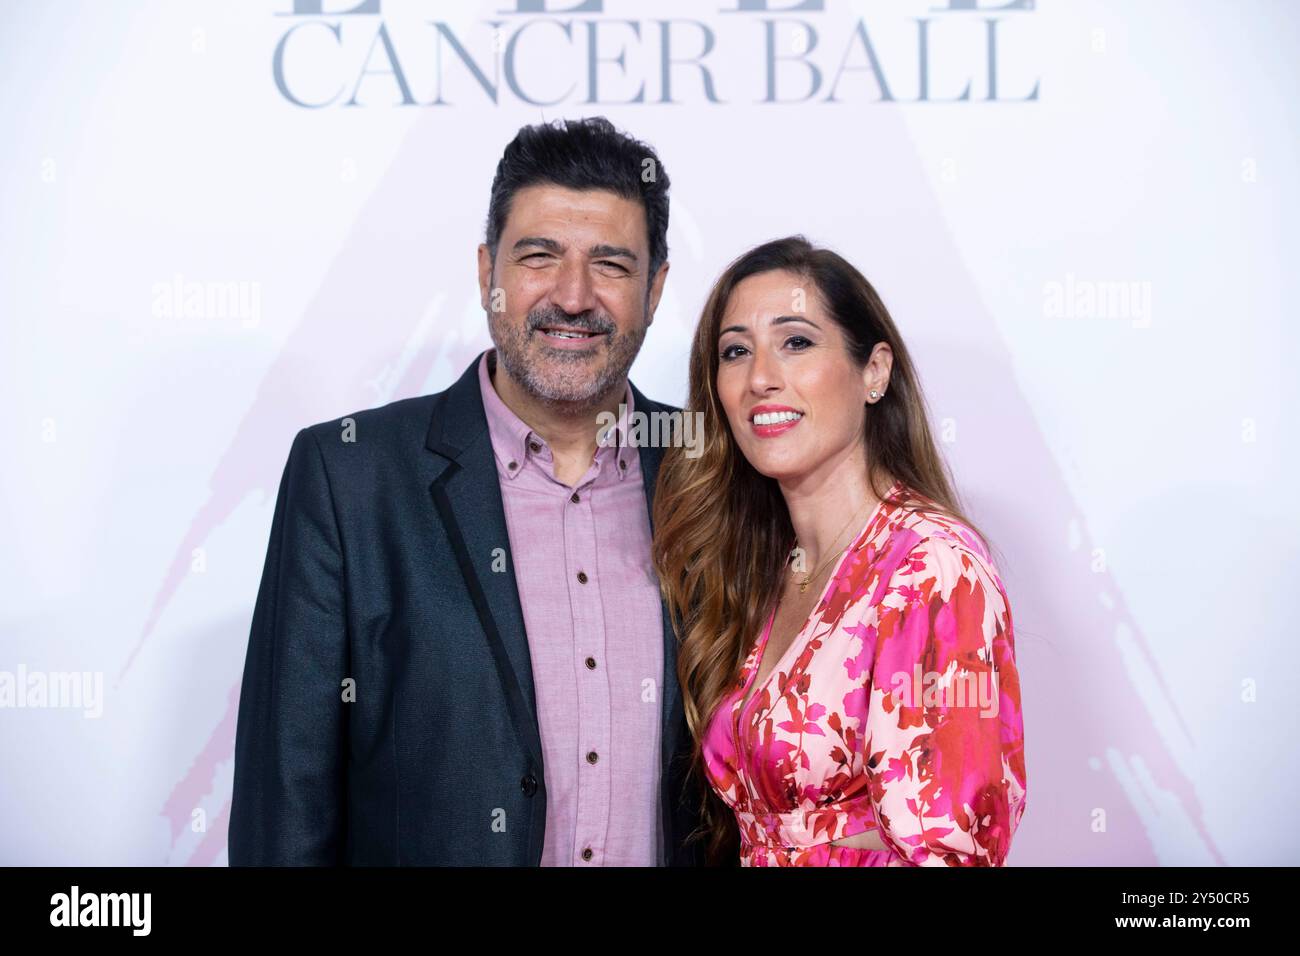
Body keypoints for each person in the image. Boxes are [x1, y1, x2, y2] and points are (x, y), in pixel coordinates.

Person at [229, 116, 704, 866]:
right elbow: (286, 805)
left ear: (656, 288)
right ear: (489, 274)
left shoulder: (711, 473)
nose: (573, 297)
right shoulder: (349, 478)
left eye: (611, 264)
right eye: (539, 256)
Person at [652, 236, 1027, 866]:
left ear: (874, 371)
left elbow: (947, 853)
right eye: (735, 351)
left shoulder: (930, 570)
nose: (760, 379)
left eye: (796, 342)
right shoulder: (762, 572)